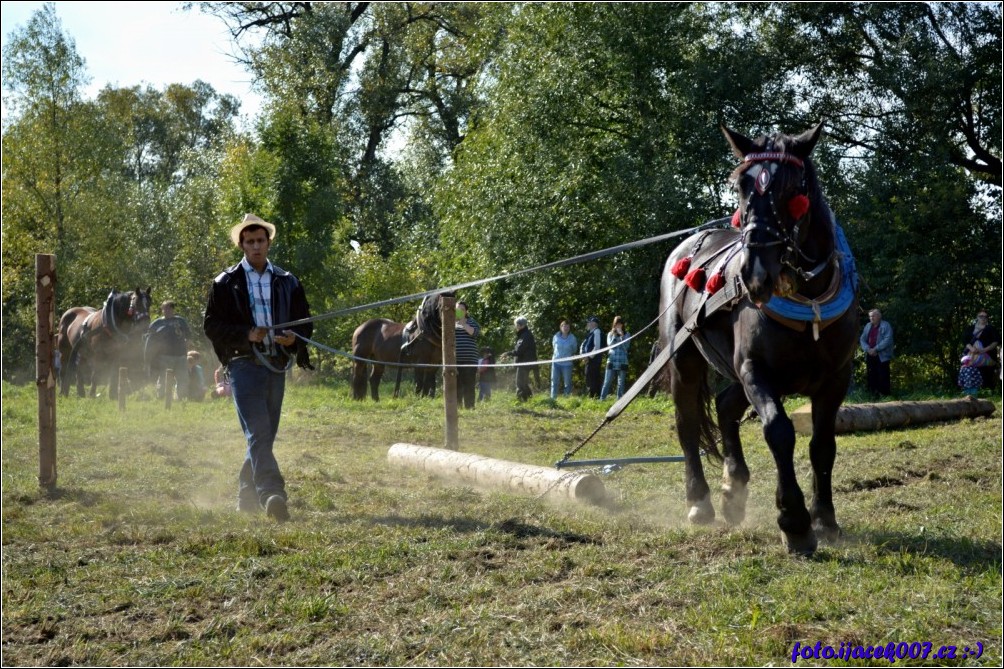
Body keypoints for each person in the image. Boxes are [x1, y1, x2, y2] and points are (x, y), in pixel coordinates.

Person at [204, 213, 313, 523]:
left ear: (268, 243)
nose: (255, 246)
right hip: (243, 365)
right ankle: (272, 493)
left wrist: (294, 339)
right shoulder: (226, 283)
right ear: (242, 245)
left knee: (263, 436)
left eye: (260, 241)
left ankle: (245, 496)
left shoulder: (287, 281)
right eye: (249, 241)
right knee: (259, 431)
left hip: (276, 365)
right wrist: (245, 334)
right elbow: (211, 325)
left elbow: (305, 322)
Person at [149, 300, 192, 400]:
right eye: (165, 308)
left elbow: (189, 335)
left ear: (173, 309)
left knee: (182, 378)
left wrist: (187, 345)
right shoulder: (157, 323)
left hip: (180, 355)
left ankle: (181, 397)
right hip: (164, 356)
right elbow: (149, 339)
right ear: (162, 309)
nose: (167, 310)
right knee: (163, 377)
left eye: (169, 308)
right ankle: (161, 397)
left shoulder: (181, 320)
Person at [859, 308, 893, 397]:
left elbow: (887, 340)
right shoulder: (867, 326)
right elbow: (862, 339)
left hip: (882, 355)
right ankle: (872, 396)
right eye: (870, 316)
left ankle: (885, 396)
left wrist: (876, 349)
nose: (871, 318)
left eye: (873, 316)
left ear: (879, 316)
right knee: (871, 375)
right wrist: (868, 349)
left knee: (883, 376)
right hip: (870, 354)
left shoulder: (886, 325)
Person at [961, 310, 999, 390]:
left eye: (985, 316)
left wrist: (984, 350)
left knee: (986, 376)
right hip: (971, 356)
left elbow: (996, 342)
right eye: (981, 316)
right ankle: (971, 393)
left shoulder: (991, 329)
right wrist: (971, 348)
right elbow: (965, 340)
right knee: (970, 374)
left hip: (988, 357)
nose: (983, 318)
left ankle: (987, 393)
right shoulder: (970, 328)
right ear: (977, 317)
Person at [502, 316, 537, 401]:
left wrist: (508, 353)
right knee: (523, 383)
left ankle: (520, 401)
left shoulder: (524, 335)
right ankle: (530, 400)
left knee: (520, 384)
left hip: (524, 362)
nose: (515, 327)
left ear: (520, 325)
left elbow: (519, 350)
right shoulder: (525, 334)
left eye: (516, 325)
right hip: (525, 362)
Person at [454, 300, 481, 409]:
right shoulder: (450, 322)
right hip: (455, 360)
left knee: (469, 385)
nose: (460, 311)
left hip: (470, 360)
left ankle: (470, 407)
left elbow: (474, 333)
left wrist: (463, 323)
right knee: (457, 385)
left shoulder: (471, 321)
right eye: (457, 309)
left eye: (462, 309)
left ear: (466, 311)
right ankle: (458, 407)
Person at [600, 316, 630, 400]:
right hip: (612, 360)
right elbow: (610, 345)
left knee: (621, 382)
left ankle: (620, 400)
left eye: (620, 324)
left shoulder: (627, 334)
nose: (618, 326)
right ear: (614, 324)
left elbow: (626, 347)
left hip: (622, 360)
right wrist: (614, 336)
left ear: (622, 325)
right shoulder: (610, 334)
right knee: (607, 381)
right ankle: (602, 398)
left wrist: (622, 336)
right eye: (617, 324)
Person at [550, 319, 578, 399]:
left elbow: (574, 349)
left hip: (567, 364)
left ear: (569, 328)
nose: (565, 328)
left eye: (567, 326)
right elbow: (554, 347)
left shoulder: (573, 338)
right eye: (564, 326)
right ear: (560, 327)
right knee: (554, 382)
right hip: (556, 362)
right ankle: (553, 399)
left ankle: (566, 398)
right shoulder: (556, 337)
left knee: (567, 383)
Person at [580, 316, 603, 398]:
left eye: (590, 322)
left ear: (594, 324)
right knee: (589, 378)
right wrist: (583, 356)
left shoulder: (596, 331)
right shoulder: (589, 333)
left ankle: (594, 397)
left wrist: (588, 357)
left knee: (593, 379)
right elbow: (583, 345)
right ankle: (591, 396)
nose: (588, 324)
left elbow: (597, 347)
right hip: (588, 360)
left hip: (594, 360)